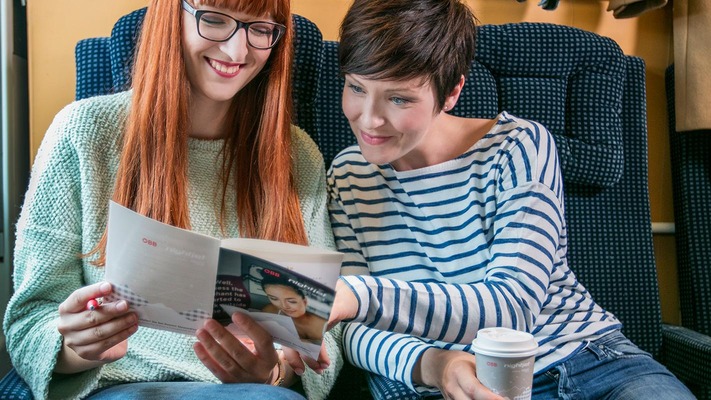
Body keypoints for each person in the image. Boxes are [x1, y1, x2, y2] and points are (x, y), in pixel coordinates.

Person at [324, 0, 697, 399]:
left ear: (451, 93)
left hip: (586, 360)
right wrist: (434, 364)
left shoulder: (518, 146)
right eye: (357, 88)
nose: (368, 119)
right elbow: (354, 331)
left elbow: (511, 307)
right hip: (443, 383)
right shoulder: (348, 175)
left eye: (399, 99)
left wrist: (358, 294)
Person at [2, 1, 341, 399]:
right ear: (170, 17)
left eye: (260, 30)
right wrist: (79, 347)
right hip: (119, 387)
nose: (236, 52)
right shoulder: (83, 133)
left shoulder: (298, 156)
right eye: (214, 19)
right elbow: (27, 323)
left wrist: (274, 372)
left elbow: (325, 331)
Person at [261, 275, 328, 343]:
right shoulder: (270, 311)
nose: (284, 306)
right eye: (274, 299)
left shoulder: (324, 325)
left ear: (305, 301)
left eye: (291, 301)